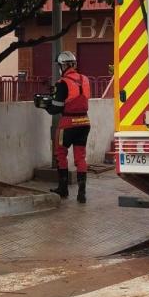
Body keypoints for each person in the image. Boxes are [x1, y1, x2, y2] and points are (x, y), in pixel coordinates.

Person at [46, 51, 91, 203]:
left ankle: (63, 189)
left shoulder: (62, 83)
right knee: (80, 157)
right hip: (84, 122)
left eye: (60, 65)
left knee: (60, 154)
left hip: (68, 123)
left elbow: (56, 108)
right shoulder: (84, 79)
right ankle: (82, 193)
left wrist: (46, 105)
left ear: (63, 65)